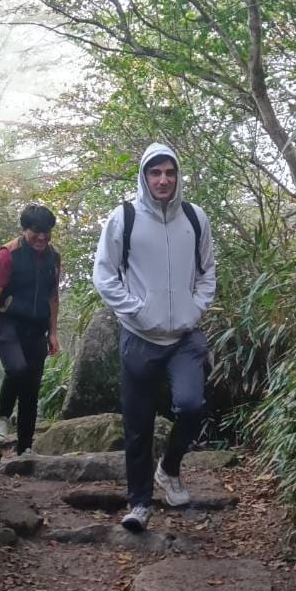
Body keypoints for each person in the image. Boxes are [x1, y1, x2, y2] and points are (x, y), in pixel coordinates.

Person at [92, 144, 216, 531]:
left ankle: (170, 468)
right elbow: (104, 274)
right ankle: (139, 503)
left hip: (184, 335)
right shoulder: (124, 218)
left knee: (192, 406)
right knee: (138, 423)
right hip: (139, 336)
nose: (163, 180)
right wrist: (136, 310)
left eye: (170, 172)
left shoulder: (195, 218)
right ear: (144, 177)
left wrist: (195, 309)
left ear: (178, 176)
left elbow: (208, 271)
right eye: (155, 173)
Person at [0, 202, 61, 456]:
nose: (42, 237)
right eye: (37, 231)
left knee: (31, 390)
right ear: (25, 229)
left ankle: (24, 450)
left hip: (37, 328)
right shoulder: (8, 255)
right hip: (7, 324)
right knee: (17, 369)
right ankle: (1, 417)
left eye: (47, 231)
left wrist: (53, 332)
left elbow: (53, 297)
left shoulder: (53, 257)